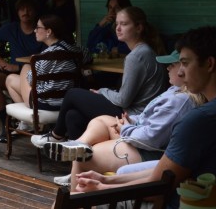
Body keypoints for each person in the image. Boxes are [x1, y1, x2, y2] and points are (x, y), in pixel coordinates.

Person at [70, 27, 216, 209]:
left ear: (209, 64)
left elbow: (156, 187)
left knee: (92, 198)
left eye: (185, 63)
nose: (180, 71)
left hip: (185, 203)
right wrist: (106, 180)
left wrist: (101, 190)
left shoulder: (201, 120)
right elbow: (167, 172)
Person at [43, 50, 204, 187]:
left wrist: (125, 128)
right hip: (139, 135)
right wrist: (131, 121)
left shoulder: (180, 102)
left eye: (174, 64)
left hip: (149, 151)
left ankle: (74, 179)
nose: (168, 67)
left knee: (81, 159)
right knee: (101, 120)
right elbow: (149, 118)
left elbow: (151, 139)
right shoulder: (174, 91)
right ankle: (79, 144)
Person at [33, 6, 167, 147]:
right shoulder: (144, 51)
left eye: (124, 24)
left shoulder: (137, 56)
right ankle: (80, 159)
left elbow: (123, 100)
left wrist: (103, 91)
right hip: (134, 110)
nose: (118, 28)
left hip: (134, 115)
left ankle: (56, 136)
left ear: (139, 28)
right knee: (72, 115)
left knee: (72, 94)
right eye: (117, 23)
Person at [0, 0, 45, 142]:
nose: (25, 12)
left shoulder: (41, 31)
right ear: (17, 12)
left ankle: (30, 122)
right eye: (22, 9)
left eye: (29, 8)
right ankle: (6, 125)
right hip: (12, 75)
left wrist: (17, 67)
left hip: (35, 76)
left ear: (35, 11)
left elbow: (45, 59)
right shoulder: (11, 28)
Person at [5, 14, 91, 111]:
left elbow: (31, 81)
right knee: (15, 76)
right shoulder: (76, 51)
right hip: (67, 101)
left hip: (45, 103)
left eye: (38, 27)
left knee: (17, 73)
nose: (35, 30)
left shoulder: (44, 57)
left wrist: (30, 66)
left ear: (48, 32)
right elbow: (88, 55)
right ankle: (27, 122)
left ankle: (28, 121)